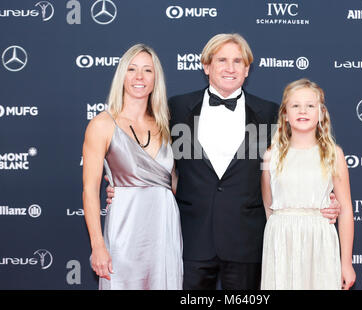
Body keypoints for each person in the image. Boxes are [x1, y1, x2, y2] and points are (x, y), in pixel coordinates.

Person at [107, 33, 341, 290]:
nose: (230, 68)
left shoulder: (270, 114)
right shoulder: (176, 109)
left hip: (246, 243)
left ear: (247, 69)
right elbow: (152, 158)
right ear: (206, 66)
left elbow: (300, 159)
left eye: (238, 61)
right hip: (190, 238)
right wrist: (129, 187)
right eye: (222, 60)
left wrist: (329, 197)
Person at [82, 43, 183, 290]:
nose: (139, 77)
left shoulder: (168, 124)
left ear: (155, 78)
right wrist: (98, 245)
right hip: (124, 230)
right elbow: (89, 190)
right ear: (122, 75)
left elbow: (173, 182)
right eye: (132, 69)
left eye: (147, 70)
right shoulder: (102, 124)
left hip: (164, 230)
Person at [260, 78, 356, 290]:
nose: (303, 111)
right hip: (281, 242)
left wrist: (346, 263)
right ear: (285, 114)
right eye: (295, 106)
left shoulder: (334, 154)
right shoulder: (271, 155)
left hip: (320, 240)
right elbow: (268, 204)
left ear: (321, 113)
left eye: (310, 106)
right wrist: (280, 232)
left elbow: (346, 209)